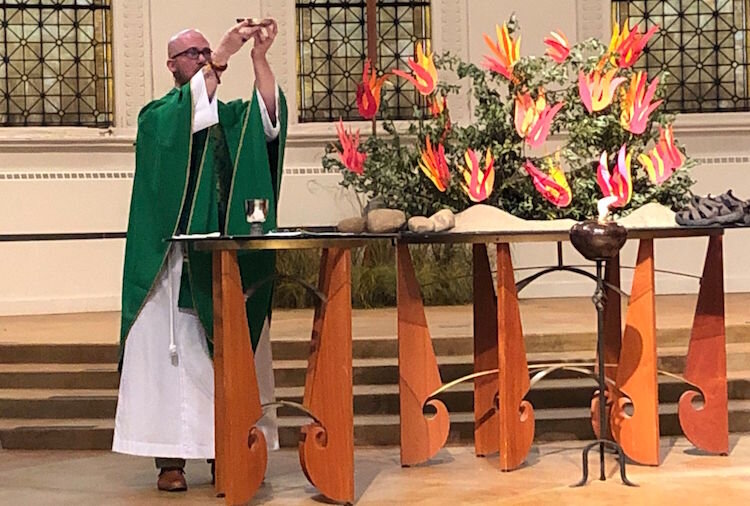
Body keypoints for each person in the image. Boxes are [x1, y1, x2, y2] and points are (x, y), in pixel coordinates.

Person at [113, 19, 286, 492]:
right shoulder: (156, 116)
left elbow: (267, 121)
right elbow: (182, 124)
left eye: (205, 51)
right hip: (168, 269)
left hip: (220, 264)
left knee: (220, 362)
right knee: (168, 369)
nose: (201, 58)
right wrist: (224, 55)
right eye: (193, 54)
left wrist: (258, 60)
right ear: (172, 65)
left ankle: (224, 449)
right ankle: (169, 461)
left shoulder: (226, 116)